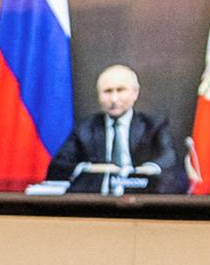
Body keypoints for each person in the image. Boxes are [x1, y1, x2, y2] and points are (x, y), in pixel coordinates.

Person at [46, 64, 184, 194]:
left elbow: (168, 158)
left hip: (142, 200)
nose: (114, 98)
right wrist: (94, 169)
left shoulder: (154, 125)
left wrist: (139, 171)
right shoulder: (86, 128)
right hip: (96, 202)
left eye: (121, 90)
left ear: (135, 93)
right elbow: (59, 165)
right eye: (107, 91)